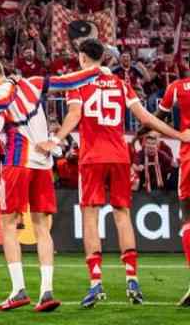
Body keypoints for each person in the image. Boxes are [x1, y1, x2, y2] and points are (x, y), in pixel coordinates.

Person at [0, 58, 98, 311]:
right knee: (42, 227)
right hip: (44, 164)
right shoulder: (32, 83)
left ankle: (18, 290)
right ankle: (46, 292)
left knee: (9, 224)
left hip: (18, 161)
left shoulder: (0, 94)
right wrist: (95, 70)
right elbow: (67, 80)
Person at [48, 38, 190, 307]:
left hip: (92, 158)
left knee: (90, 216)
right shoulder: (121, 84)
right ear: (104, 58)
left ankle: (96, 283)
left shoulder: (78, 83)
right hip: (119, 156)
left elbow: (75, 116)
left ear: (82, 58)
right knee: (123, 215)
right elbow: (146, 118)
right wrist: (179, 136)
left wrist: (56, 140)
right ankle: (132, 280)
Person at [156, 70, 190, 306]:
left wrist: (140, 132)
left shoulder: (177, 87)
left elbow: (157, 118)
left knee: (188, 216)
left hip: (189, 155)